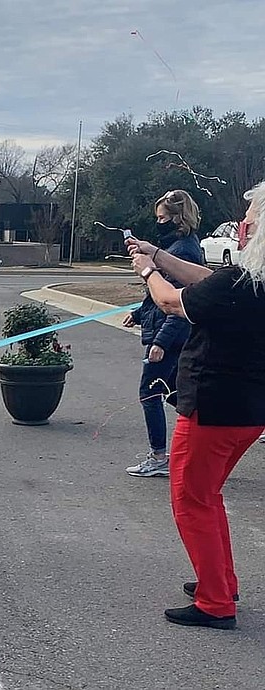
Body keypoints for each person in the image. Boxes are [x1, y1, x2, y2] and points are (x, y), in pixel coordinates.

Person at [126, 181, 265, 630]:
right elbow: (206, 280)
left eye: (251, 220)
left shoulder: (241, 286)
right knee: (207, 497)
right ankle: (221, 581)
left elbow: (170, 302)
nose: (243, 226)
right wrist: (158, 255)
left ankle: (215, 603)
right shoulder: (246, 284)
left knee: (190, 500)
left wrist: (148, 272)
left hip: (213, 406)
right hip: (246, 409)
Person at [122, 189, 203, 478]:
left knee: (150, 392)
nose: (158, 223)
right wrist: (139, 313)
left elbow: (180, 301)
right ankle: (203, 438)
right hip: (164, 329)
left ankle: (158, 456)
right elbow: (157, 293)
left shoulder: (183, 251)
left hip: (170, 333)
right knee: (175, 393)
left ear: (177, 219)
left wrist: (160, 342)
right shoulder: (174, 249)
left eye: (162, 218)